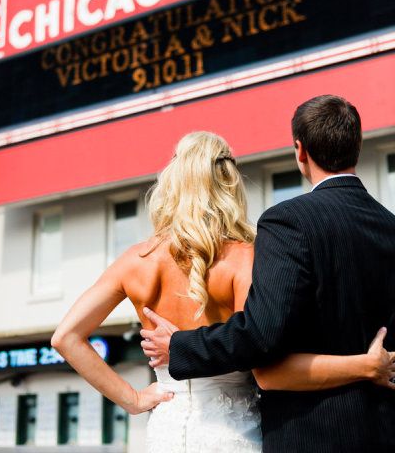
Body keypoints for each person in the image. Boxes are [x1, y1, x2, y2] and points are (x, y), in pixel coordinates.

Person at [51, 129, 395, 452]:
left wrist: (134, 400)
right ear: (228, 183)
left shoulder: (134, 260)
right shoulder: (245, 257)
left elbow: (66, 338)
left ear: (174, 181)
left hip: (167, 431)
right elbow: (262, 353)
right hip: (233, 433)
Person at [141, 97, 395, 453]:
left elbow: (260, 333)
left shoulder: (288, 221)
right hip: (384, 430)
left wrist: (182, 346)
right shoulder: (390, 226)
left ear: (300, 150)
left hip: (311, 435)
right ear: (357, 144)